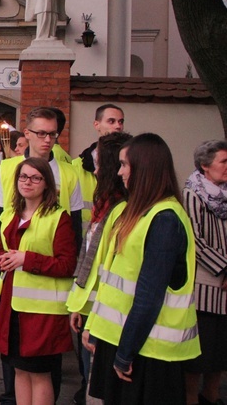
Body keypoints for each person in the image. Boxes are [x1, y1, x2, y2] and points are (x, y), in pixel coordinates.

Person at [86, 133, 199, 405]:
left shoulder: (165, 219)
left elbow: (149, 296)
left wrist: (125, 354)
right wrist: (97, 328)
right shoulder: (138, 212)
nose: (120, 172)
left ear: (144, 168)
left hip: (148, 353)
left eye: (125, 165)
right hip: (125, 342)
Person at [0, 107, 83, 403]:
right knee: (18, 371)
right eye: (24, 178)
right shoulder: (14, 208)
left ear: (47, 184)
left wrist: (26, 259)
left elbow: (68, 259)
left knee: (41, 373)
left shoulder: (57, 215)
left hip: (43, 308)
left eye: (35, 179)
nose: (27, 182)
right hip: (12, 302)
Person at [66, 131, 131, 404]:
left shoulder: (121, 208)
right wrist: (80, 305)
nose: (95, 168)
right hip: (91, 309)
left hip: (104, 316)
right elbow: (88, 255)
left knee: (100, 389)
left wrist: (91, 316)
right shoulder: (105, 203)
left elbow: (108, 268)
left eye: (99, 162)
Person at [182, 140, 227, 405]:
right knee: (199, 354)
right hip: (204, 288)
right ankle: (190, 399)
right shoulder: (192, 194)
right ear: (204, 165)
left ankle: (212, 396)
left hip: (225, 291)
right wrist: (224, 268)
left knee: (220, 353)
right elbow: (194, 240)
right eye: (223, 161)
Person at [73, 104, 125, 237]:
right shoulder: (76, 166)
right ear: (97, 125)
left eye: (121, 121)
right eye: (111, 121)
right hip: (84, 239)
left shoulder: (131, 162)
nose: (118, 126)